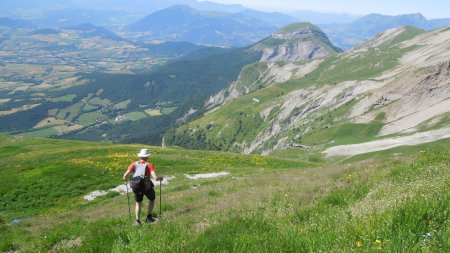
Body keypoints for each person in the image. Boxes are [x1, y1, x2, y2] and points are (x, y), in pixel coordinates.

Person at [123, 148, 162, 225]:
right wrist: (159, 178)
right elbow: (155, 177)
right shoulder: (149, 165)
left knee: (138, 203)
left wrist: (126, 178)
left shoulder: (134, 164)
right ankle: (149, 217)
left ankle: (137, 221)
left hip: (136, 186)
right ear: (147, 156)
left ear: (140, 156)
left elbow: (125, 176)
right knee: (152, 199)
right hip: (146, 186)